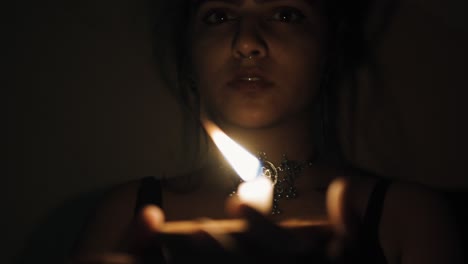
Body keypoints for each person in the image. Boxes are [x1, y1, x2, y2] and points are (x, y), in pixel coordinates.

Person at [71, 0, 464, 263]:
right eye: (219, 16)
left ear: (331, 48)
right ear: (189, 54)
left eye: (286, 14)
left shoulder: (406, 216)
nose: (246, 43)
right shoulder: (128, 215)